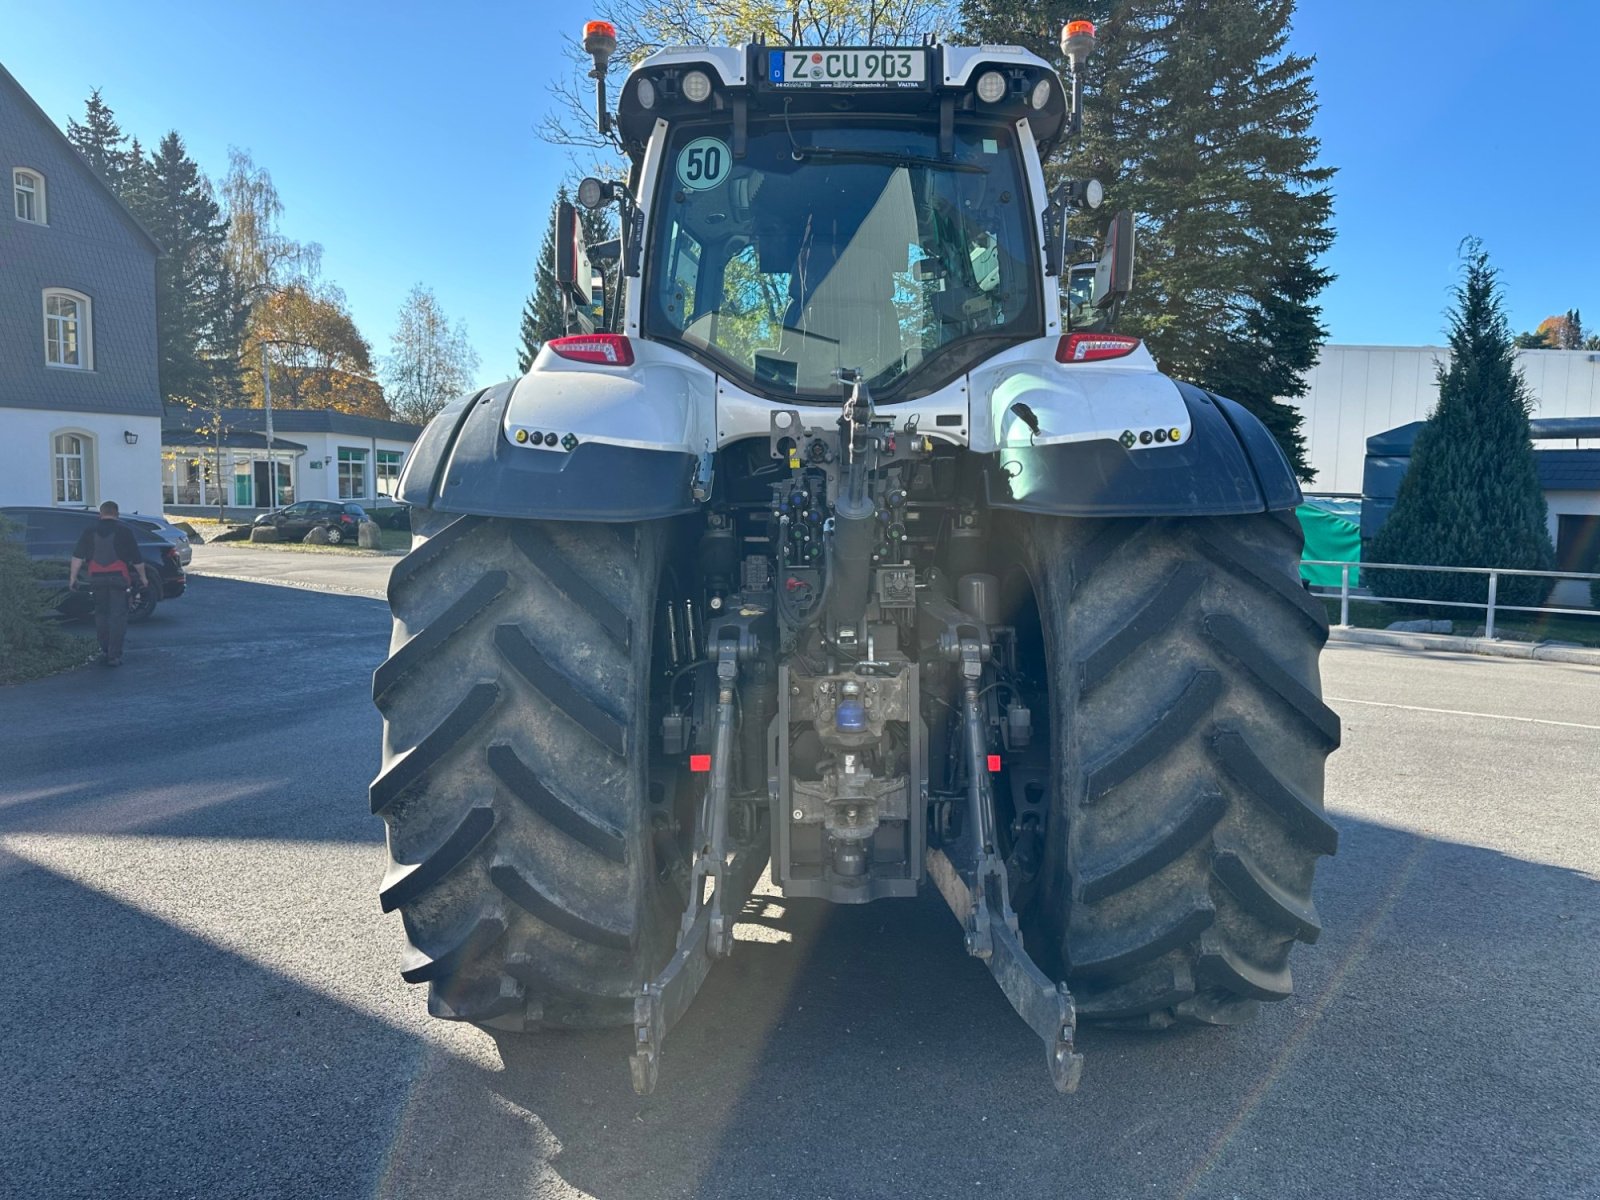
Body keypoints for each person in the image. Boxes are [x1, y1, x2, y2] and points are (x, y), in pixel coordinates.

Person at [68, 500, 149, 667]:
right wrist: (143, 577)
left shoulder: (90, 530)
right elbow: (137, 559)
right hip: (119, 578)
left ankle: (104, 650)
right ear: (117, 514)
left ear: (100, 513)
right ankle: (114, 655)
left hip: (96, 578)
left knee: (101, 614)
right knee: (118, 617)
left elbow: (77, 557)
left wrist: (73, 578)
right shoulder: (124, 531)